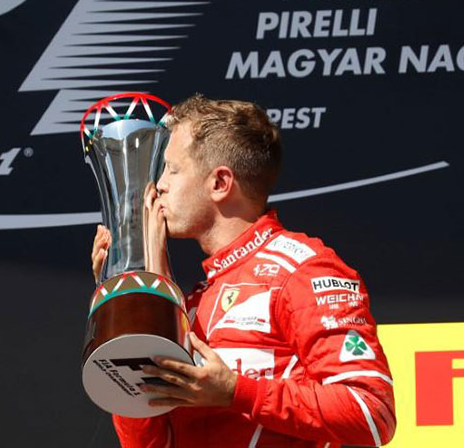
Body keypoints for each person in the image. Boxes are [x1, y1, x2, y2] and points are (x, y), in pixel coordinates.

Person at [90, 95, 396, 448]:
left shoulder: (301, 269)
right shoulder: (191, 303)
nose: (159, 186)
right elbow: (148, 444)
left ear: (220, 183)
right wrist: (140, 305)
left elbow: (372, 414)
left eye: (172, 170)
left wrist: (237, 391)